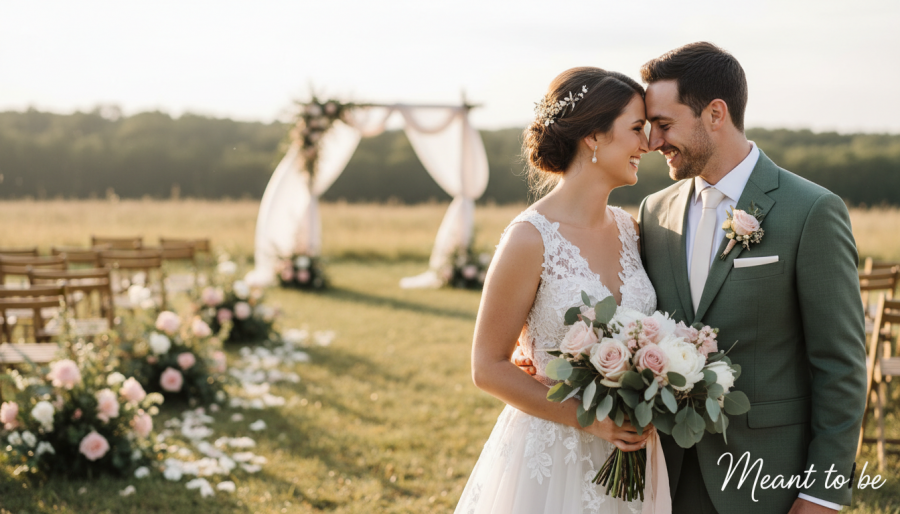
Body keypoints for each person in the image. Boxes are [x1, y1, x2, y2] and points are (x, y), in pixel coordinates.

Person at [637, 42, 867, 513]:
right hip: (668, 478)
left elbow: (840, 366)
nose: (653, 141)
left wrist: (822, 493)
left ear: (716, 113)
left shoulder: (812, 211)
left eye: (664, 124)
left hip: (768, 481)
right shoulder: (653, 213)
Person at [455, 67, 659, 514]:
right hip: (552, 456)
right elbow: (487, 367)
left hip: (633, 452)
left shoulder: (632, 231)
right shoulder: (529, 239)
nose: (648, 143)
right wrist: (589, 421)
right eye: (636, 128)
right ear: (594, 137)